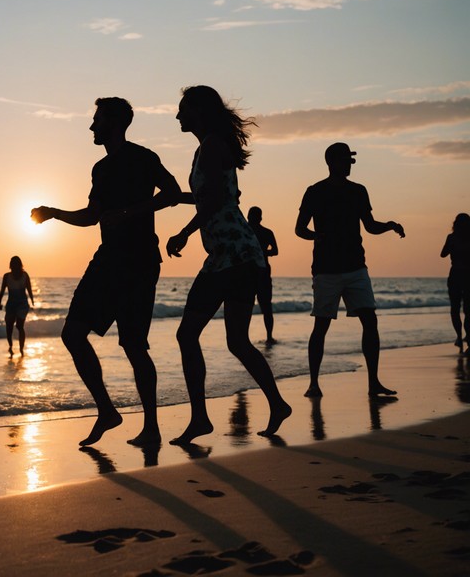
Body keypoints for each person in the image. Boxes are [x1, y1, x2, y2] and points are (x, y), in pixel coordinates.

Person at [32, 97, 181, 447]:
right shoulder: (100, 169)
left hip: (141, 260)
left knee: (133, 345)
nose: (91, 127)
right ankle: (107, 410)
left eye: (97, 120)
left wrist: (130, 212)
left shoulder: (144, 157)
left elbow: (173, 193)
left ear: (114, 122)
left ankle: (152, 428)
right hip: (108, 258)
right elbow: (92, 216)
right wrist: (54, 213)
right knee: (72, 334)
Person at [166, 86, 291, 442]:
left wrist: (185, 232)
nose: (177, 116)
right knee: (236, 340)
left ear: (198, 112)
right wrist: (181, 199)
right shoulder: (208, 147)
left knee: (187, 334)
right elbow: (217, 194)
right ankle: (277, 404)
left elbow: (219, 199)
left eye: (182, 110)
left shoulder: (211, 146)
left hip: (230, 257)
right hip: (241, 256)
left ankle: (200, 419)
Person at [295, 142, 405, 398]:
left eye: (351, 160)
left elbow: (369, 226)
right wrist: (317, 236)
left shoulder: (359, 191)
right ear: (333, 162)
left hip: (356, 266)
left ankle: (373, 383)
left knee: (370, 320)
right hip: (326, 269)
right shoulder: (314, 191)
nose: (351, 164)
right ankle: (313, 383)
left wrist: (389, 225)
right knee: (321, 325)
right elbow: (299, 229)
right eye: (347, 159)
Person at [247, 206, 278, 344]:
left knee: (248, 305)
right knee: (265, 306)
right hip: (259, 271)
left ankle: (268, 336)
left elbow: (275, 251)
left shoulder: (244, 231)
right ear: (260, 217)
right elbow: (275, 251)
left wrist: (260, 252)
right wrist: (264, 252)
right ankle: (269, 337)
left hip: (250, 271)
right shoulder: (266, 232)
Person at [440, 213, 470, 353]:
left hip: (456, 275)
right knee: (467, 310)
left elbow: (443, 254)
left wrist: (452, 246)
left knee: (455, 309)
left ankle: (459, 337)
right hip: (465, 276)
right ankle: (466, 337)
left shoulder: (451, 238)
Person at [0, 256, 34, 356]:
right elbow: (2, 289)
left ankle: (21, 349)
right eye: (12, 264)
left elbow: (29, 289)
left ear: (19, 265)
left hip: (22, 304)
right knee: (9, 327)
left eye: (15, 264)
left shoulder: (25, 275)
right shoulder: (7, 276)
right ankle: (10, 347)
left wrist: (32, 300)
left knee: (19, 326)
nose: (14, 266)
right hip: (11, 304)